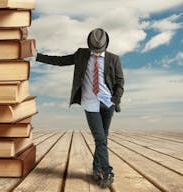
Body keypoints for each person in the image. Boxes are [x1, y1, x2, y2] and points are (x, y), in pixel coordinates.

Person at [35, 28, 124, 188]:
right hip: (90, 103)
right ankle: (108, 171)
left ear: (105, 46)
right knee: (100, 139)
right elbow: (61, 61)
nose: (97, 53)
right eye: (94, 50)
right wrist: (37, 56)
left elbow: (120, 81)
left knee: (102, 139)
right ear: (89, 45)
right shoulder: (81, 55)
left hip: (107, 104)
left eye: (99, 51)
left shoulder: (114, 59)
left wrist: (115, 99)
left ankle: (96, 169)